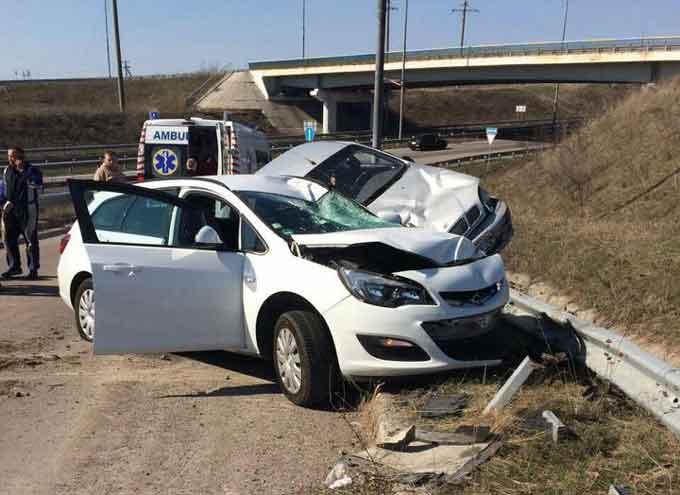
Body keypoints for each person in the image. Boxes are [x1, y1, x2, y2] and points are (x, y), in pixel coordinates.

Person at [3, 146, 43, 280]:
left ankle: (33, 269)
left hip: (28, 209)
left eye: (13, 156)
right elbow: (4, 188)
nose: (10, 158)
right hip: (10, 210)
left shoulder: (32, 170)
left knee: (30, 240)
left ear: (21, 156)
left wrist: (26, 174)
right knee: (9, 239)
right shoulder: (7, 170)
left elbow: (38, 185)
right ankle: (14, 267)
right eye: (9, 156)